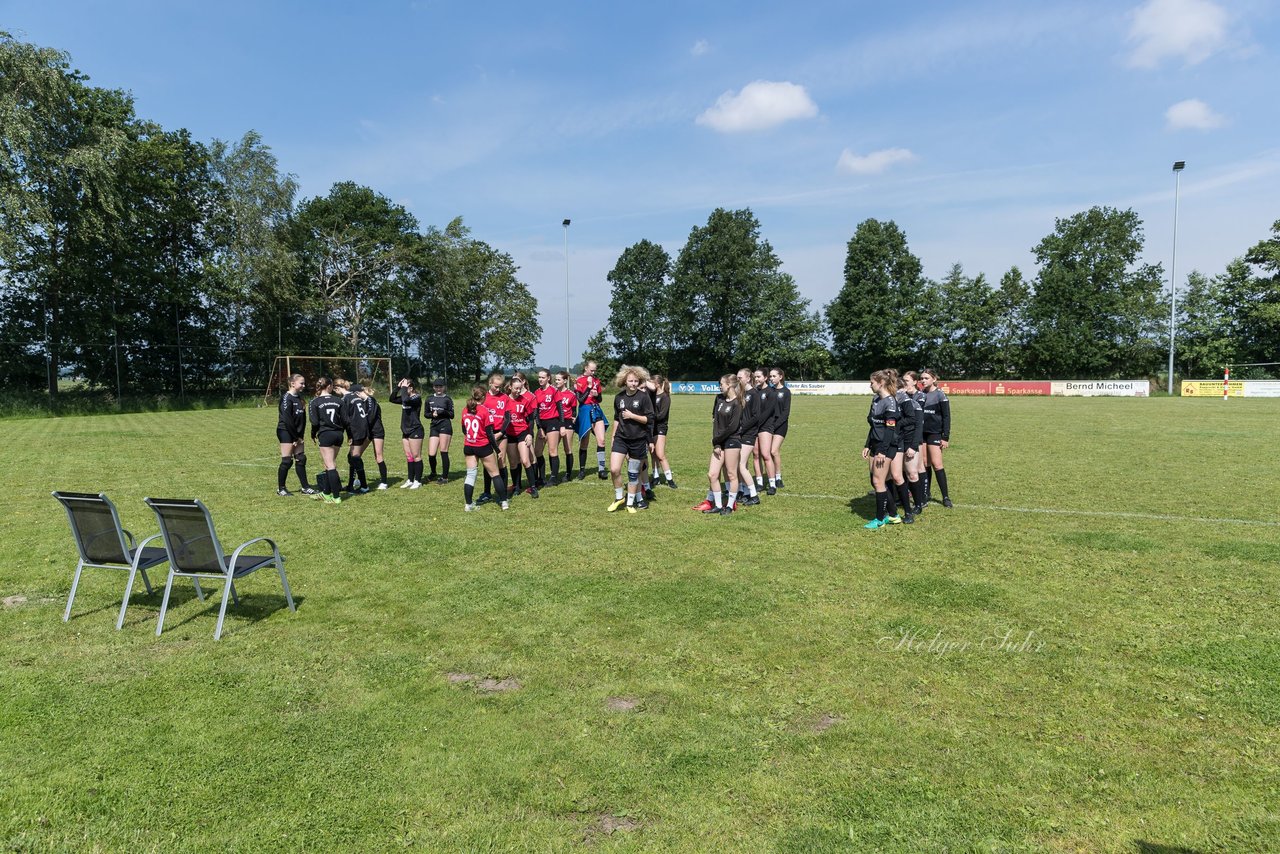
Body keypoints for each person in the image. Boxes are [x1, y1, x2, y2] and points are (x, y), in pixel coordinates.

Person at [692, 374, 743, 515]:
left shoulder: (737, 403)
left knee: (732, 474)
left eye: (721, 384)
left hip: (733, 441)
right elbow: (716, 422)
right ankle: (719, 505)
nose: (719, 386)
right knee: (712, 474)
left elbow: (733, 427)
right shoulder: (719, 398)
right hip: (719, 442)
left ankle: (730, 506)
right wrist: (717, 443)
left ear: (730, 385)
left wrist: (717, 440)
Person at [606, 365, 654, 513]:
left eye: (635, 381)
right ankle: (619, 497)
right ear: (624, 381)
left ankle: (630, 503)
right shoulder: (619, 397)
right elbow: (616, 419)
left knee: (633, 473)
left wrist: (632, 416)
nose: (633, 383)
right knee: (614, 469)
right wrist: (613, 436)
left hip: (638, 440)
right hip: (621, 438)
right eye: (630, 381)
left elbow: (650, 419)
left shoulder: (643, 396)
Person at [460, 386, 509, 511]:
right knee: (495, 474)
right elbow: (490, 435)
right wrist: (497, 450)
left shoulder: (465, 410)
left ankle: (468, 504)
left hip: (469, 446)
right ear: (483, 397)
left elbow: (464, 430)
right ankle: (504, 502)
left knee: (470, 475)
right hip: (483, 446)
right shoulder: (484, 411)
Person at [862, 370, 900, 529]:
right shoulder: (876, 399)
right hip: (875, 444)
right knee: (875, 480)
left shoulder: (891, 403)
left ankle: (879, 519)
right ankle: (893, 515)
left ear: (881, 383)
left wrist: (882, 452)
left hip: (887, 446)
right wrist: (867, 444)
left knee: (879, 481)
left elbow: (890, 430)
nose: (870, 385)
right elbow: (873, 426)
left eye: (872, 382)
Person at [308, 377, 347, 504]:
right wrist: (350, 435)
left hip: (325, 434)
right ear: (329, 386)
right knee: (329, 464)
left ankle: (335, 497)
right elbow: (346, 420)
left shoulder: (314, 402)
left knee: (330, 465)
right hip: (338, 434)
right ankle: (326, 492)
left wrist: (313, 434)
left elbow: (314, 422)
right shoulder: (339, 400)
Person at [275, 373, 315, 496]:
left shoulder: (300, 398)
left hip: (297, 434)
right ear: (292, 383)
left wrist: (300, 436)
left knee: (301, 459)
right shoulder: (286, 398)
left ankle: (305, 487)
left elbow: (302, 419)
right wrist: (294, 437)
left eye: (304, 383)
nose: (304, 385)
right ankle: (281, 488)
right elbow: (287, 420)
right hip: (286, 431)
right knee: (287, 461)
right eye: (301, 383)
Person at [918, 368, 953, 508]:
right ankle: (926, 494)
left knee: (937, 464)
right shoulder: (920, 395)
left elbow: (946, 416)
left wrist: (945, 437)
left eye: (926, 378)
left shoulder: (940, 395)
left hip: (935, 433)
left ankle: (945, 497)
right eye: (921, 378)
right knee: (925, 463)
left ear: (934, 379)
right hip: (922, 433)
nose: (923, 380)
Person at [506, 372, 539, 498]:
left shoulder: (525, 401)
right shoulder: (505, 400)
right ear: (510, 387)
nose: (518, 390)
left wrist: (530, 434)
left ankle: (533, 487)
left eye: (520, 388)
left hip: (522, 433)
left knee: (525, 460)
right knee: (513, 463)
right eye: (516, 388)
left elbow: (531, 419)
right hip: (509, 435)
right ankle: (516, 486)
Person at [574, 361, 610, 480]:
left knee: (602, 440)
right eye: (591, 370)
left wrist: (596, 395)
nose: (593, 372)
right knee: (584, 442)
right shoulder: (579, 380)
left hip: (596, 409)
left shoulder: (596, 380)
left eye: (595, 370)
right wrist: (589, 388)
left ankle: (601, 470)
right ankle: (582, 470)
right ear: (586, 368)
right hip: (585, 410)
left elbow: (599, 399)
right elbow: (580, 400)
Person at [481, 372, 511, 503]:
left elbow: (508, 418)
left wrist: (500, 433)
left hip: (500, 433)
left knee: (501, 460)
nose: (498, 389)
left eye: (500, 387)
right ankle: (487, 492)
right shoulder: (483, 397)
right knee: (488, 462)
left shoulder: (504, 398)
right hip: (486, 434)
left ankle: (502, 493)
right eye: (496, 386)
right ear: (490, 383)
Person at [390, 378, 425, 489]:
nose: (404, 390)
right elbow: (392, 399)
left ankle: (418, 481)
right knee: (409, 456)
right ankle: (410, 479)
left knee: (416, 455)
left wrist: (404, 388)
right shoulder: (406, 396)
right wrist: (398, 387)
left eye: (406, 387)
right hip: (405, 430)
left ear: (411, 388)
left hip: (415, 429)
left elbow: (405, 400)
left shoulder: (416, 398)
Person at [734, 368, 762, 506]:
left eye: (740, 378)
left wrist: (742, 427)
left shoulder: (754, 394)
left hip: (749, 434)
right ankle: (744, 492)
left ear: (748, 378)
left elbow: (756, 416)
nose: (738, 380)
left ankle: (754, 495)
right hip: (741, 433)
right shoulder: (742, 393)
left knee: (741, 466)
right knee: (742, 464)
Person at [761, 367, 791, 494]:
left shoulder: (786, 392)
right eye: (771, 376)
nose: (772, 378)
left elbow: (785, 413)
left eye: (774, 376)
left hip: (781, 425)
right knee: (767, 452)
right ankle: (772, 477)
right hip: (769, 425)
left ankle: (778, 477)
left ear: (780, 377)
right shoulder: (769, 391)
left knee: (774, 451)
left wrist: (775, 425)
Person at [900, 370, 926, 513]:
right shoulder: (899, 398)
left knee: (916, 469)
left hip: (914, 437)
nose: (905, 383)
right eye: (903, 380)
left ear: (915, 382)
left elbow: (917, 420)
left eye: (907, 380)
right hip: (901, 438)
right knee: (903, 471)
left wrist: (914, 444)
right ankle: (906, 496)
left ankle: (920, 500)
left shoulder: (918, 397)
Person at [533, 369, 562, 486]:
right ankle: (542, 477)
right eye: (539, 377)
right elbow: (536, 412)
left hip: (553, 422)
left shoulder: (554, 391)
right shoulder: (536, 392)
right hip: (542, 424)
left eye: (543, 377)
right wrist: (539, 427)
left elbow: (560, 409)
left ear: (548, 378)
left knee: (552, 450)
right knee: (537, 451)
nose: (540, 379)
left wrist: (562, 425)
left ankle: (554, 478)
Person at [648, 374, 676, 490]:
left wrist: (648, 417)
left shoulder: (665, 397)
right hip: (651, 427)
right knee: (653, 454)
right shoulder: (651, 395)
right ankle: (656, 477)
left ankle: (670, 479)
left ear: (657, 384)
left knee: (660, 454)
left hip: (660, 427)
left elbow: (661, 415)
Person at [343, 383, 371, 494]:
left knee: (355, 458)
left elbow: (347, 418)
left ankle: (364, 486)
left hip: (358, 430)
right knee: (352, 457)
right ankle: (350, 485)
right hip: (363, 430)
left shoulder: (349, 399)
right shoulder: (360, 400)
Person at [425, 378, 454, 485]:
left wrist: (443, 412)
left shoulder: (448, 399)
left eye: (440, 387)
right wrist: (432, 414)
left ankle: (445, 477)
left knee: (443, 451)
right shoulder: (429, 399)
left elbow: (452, 415)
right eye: (436, 387)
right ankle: (433, 473)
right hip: (434, 427)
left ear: (444, 387)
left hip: (445, 426)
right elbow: (426, 414)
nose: (438, 389)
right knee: (431, 453)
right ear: (433, 387)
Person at [363, 385, 390, 490]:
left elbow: (370, 417)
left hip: (377, 431)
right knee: (356, 455)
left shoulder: (372, 401)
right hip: (367, 432)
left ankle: (384, 482)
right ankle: (356, 479)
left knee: (378, 456)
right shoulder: (361, 403)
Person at [554, 371, 578, 481]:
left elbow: (574, 411)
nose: (556, 381)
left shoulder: (571, 395)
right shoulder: (553, 393)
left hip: (567, 422)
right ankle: (554, 474)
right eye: (556, 379)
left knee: (567, 448)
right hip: (555, 421)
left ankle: (568, 474)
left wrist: (573, 418)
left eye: (559, 379)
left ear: (565, 381)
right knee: (553, 449)